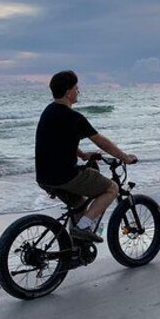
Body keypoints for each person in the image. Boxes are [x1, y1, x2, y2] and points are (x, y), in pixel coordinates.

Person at [35, 70, 137, 242]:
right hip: (66, 176)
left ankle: (73, 250)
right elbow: (100, 141)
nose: (78, 91)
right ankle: (83, 228)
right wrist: (124, 157)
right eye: (76, 88)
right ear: (68, 92)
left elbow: (57, 141)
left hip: (44, 177)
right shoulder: (73, 117)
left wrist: (82, 154)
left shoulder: (48, 112)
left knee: (79, 206)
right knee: (112, 188)